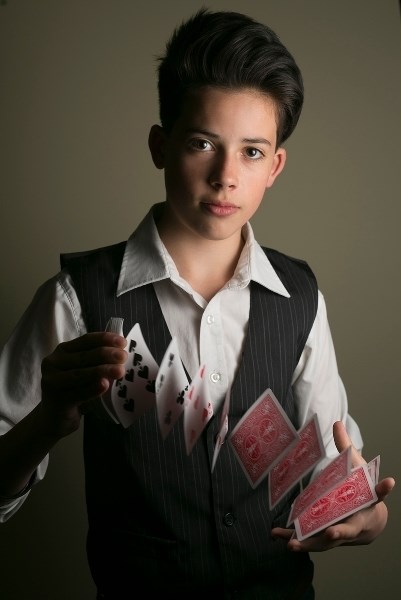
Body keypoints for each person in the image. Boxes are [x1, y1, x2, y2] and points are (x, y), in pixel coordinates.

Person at [0, 8, 395, 600]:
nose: (225, 177)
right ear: (161, 147)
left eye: (253, 152)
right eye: (203, 143)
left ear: (275, 167)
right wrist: (45, 424)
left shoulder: (301, 298)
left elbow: (333, 477)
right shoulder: (76, 297)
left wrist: (367, 517)